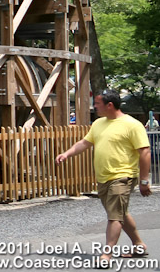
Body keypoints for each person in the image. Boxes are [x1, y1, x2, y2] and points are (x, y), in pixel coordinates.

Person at [56, 91, 150, 267]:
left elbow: (144, 152)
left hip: (123, 176)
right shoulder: (99, 124)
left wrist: (144, 181)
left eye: (97, 103)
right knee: (119, 212)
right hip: (103, 177)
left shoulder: (132, 125)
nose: (94, 106)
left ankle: (106, 254)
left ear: (110, 105)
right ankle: (138, 244)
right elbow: (85, 142)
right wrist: (67, 154)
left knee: (115, 216)